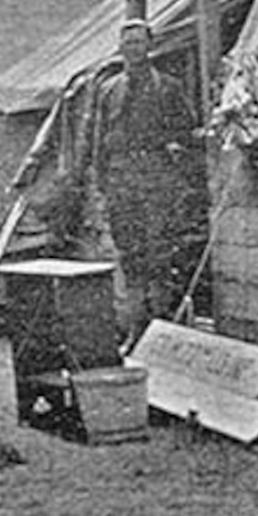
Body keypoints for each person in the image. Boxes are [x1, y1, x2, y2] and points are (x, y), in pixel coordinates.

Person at [92, 19, 206, 345]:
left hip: (156, 178)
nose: (134, 49)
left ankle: (160, 332)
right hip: (120, 180)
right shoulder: (108, 89)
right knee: (130, 257)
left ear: (150, 46)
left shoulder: (167, 87)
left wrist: (173, 153)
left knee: (159, 256)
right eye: (128, 43)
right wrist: (103, 183)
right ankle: (135, 330)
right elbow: (99, 139)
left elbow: (187, 132)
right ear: (120, 48)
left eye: (140, 43)